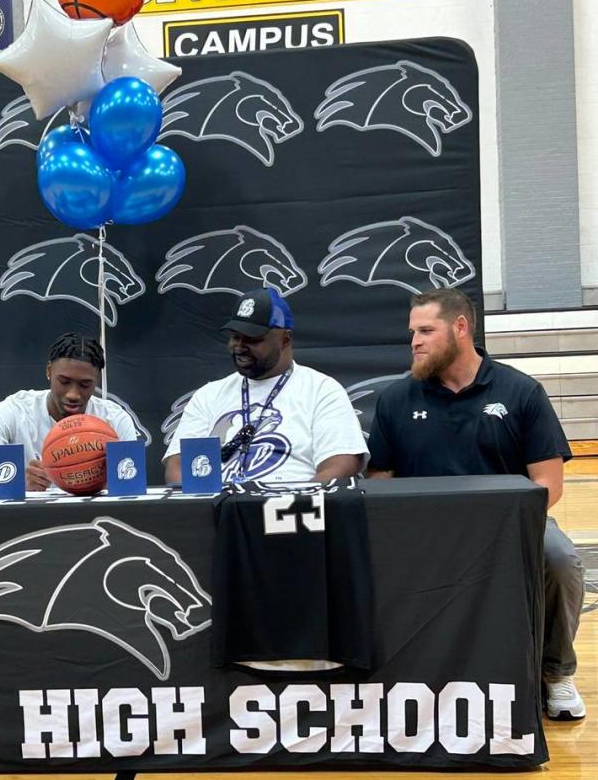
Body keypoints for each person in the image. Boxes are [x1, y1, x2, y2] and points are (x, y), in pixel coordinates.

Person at [367, 288, 585, 721]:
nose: (415, 342)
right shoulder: (396, 399)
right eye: (413, 332)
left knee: (559, 558)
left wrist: (502, 521)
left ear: (461, 328)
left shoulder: (520, 391)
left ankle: (556, 671)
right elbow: (379, 480)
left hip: (507, 525)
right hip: (423, 530)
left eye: (426, 330)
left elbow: (548, 483)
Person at [164, 288, 368, 484]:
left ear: (285, 339)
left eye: (252, 339)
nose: (239, 347)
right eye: (235, 337)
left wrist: (295, 503)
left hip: (290, 510)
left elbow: (341, 463)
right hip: (220, 509)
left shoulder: (321, 390)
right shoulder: (209, 395)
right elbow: (179, 466)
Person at [0, 333, 139, 491]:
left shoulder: (115, 419)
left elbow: (131, 480)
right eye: (64, 381)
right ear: (49, 371)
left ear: (97, 380)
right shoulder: (14, 410)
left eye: (85, 384)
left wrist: (94, 481)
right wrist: (17, 481)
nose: (73, 394)